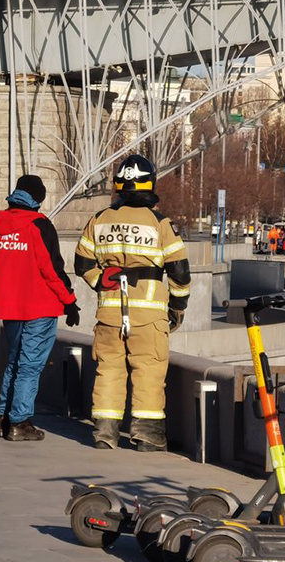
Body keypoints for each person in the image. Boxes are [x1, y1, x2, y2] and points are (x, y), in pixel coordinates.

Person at [74, 154, 191, 451]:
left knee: (108, 370)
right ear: (150, 183)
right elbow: (179, 271)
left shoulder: (99, 220)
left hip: (110, 312)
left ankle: (104, 433)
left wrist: (102, 281)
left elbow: (82, 263)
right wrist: (177, 308)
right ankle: (147, 436)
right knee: (149, 371)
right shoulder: (160, 223)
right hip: (149, 315)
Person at [0, 175, 80, 441]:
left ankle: (4, 416)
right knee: (30, 366)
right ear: (37, 199)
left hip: (9, 306)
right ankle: (20, 422)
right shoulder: (40, 226)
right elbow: (52, 270)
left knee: (14, 361)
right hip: (40, 306)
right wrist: (69, 301)